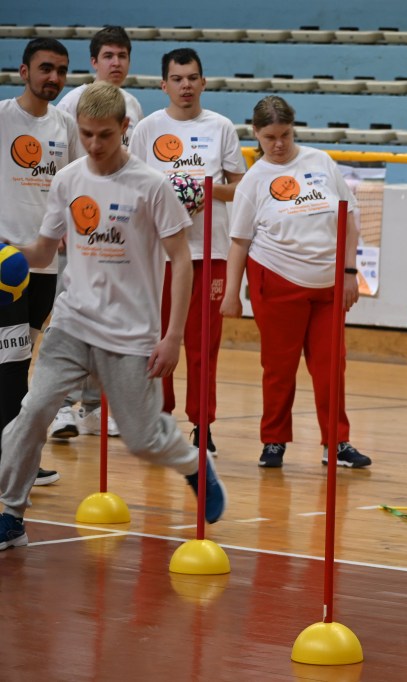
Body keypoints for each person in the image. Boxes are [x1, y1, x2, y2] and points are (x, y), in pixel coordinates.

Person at [0, 82, 226, 551]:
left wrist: (173, 336)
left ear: (124, 127)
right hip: (71, 324)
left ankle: (193, 463)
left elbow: (181, 260)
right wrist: (9, 251)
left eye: (104, 134)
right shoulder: (67, 179)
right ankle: (11, 514)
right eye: (86, 134)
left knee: (143, 440)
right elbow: (44, 251)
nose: (94, 144)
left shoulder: (152, 186)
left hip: (131, 334)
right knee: (33, 412)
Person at [221, 95, 371, 470]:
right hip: (276, 280)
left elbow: (349, 219)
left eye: (285, 135)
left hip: (328, 285)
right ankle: (274, 440)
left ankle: (336, 442)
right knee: (279, 367)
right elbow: (239, 242)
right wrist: (231, 293)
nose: (278, 144)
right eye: (269, 137)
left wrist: (350, 273)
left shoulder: (320, 162)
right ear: (256, 134)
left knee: (332, 366)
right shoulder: (254, 180)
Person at [129, 48, 246, 455]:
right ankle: (159, 420)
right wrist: (166, 198)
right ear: (164, 84)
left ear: (203, 82)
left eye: (193, 78)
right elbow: (131, 185)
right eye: (177, 79)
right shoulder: (147, 128)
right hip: (158, 255)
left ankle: (203, 425)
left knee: (204, 345)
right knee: (158, 339)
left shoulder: (221, 127)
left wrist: (203, 192)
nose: (185, 86)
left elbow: (241, 187)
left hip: (209, 252)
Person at [50, 25, 143, 440]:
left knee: (107, 318)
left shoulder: (133, 105)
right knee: (70, 317)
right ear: (93, 62)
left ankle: (91, 406)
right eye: (108, 55)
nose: (116, 62)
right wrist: (64, 219)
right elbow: (63, 164)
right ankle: (61, 407)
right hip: (80, 227)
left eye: (122, 55)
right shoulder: (73, 102)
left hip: (116, 233)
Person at [0, 38, 82, 487]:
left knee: (20, 359)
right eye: (46, 68)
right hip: (6, 266)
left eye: (61, 70)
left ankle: (16, 456)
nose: (54, 77)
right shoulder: (2, 117)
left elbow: (78, 184)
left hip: (46, 267)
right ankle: (16, 461)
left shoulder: (66, 125)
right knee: (11, 363)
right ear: (24, 71)